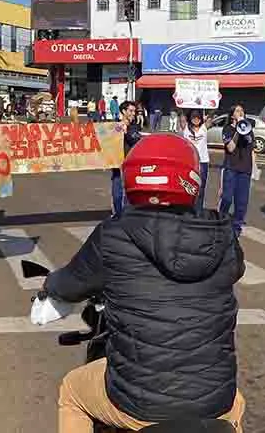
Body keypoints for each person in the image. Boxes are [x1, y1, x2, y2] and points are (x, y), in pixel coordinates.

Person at [47, 134, 246, 432]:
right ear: (192, 180)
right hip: (214, 401)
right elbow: (235, 270)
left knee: (71, 391)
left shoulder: (114, 234)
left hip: (139, 406)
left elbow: (70, 284)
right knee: (235, 402)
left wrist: (48, 288)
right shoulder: (222, 233)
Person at [220, 104, 255, 236]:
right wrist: (237, 131)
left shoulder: (249, 129)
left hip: (245, 169)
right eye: (237, 111)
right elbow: (230, 148)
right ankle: (221, 221)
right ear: (232, 115)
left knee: (242, 202)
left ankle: (236, 227)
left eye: (242, 110)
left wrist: (244, 129)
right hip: (231, 168)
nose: (240, 113)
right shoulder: (227, 129)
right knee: (227, 198)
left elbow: (251, 146)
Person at [110, 102, 142, 218]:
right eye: (131, 111)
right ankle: (117, 214)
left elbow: (136, 140)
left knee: (130, 191)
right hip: (117, 163)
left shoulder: (134, 127)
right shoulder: (113, 125)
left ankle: (128, 215)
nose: (133, 114)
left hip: (130, 163)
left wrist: (126, 130)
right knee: (117, 191)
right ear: (123, 111)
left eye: (134, 111)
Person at [182, 110, 212, 213]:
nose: (196, 119)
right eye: (194, 117)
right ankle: (187, 209)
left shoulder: (204, 128)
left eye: (198, 117)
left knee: (201, 188)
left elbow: (211, 115)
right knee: (188, 186)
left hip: (203, 162)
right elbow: (181, 113)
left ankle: (198, 211)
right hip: (189, 162)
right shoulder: (185, 128)